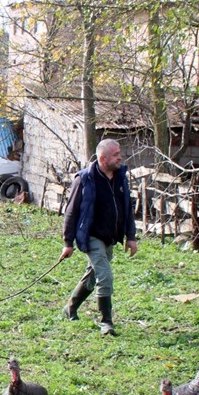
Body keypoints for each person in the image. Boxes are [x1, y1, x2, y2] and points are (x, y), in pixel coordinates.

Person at [59, 139, 138, 335]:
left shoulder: (120, 177)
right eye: (115, 154)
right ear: (103, 159)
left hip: (110, 237)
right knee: (105, 276)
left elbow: (127, 208)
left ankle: (70, 307)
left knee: (93, 274)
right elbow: (71, 212)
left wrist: (131, 236)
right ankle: (106, 322)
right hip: (92, 236)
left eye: (119, 153)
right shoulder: (85, 179)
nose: (120, 157)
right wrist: (68, 243)